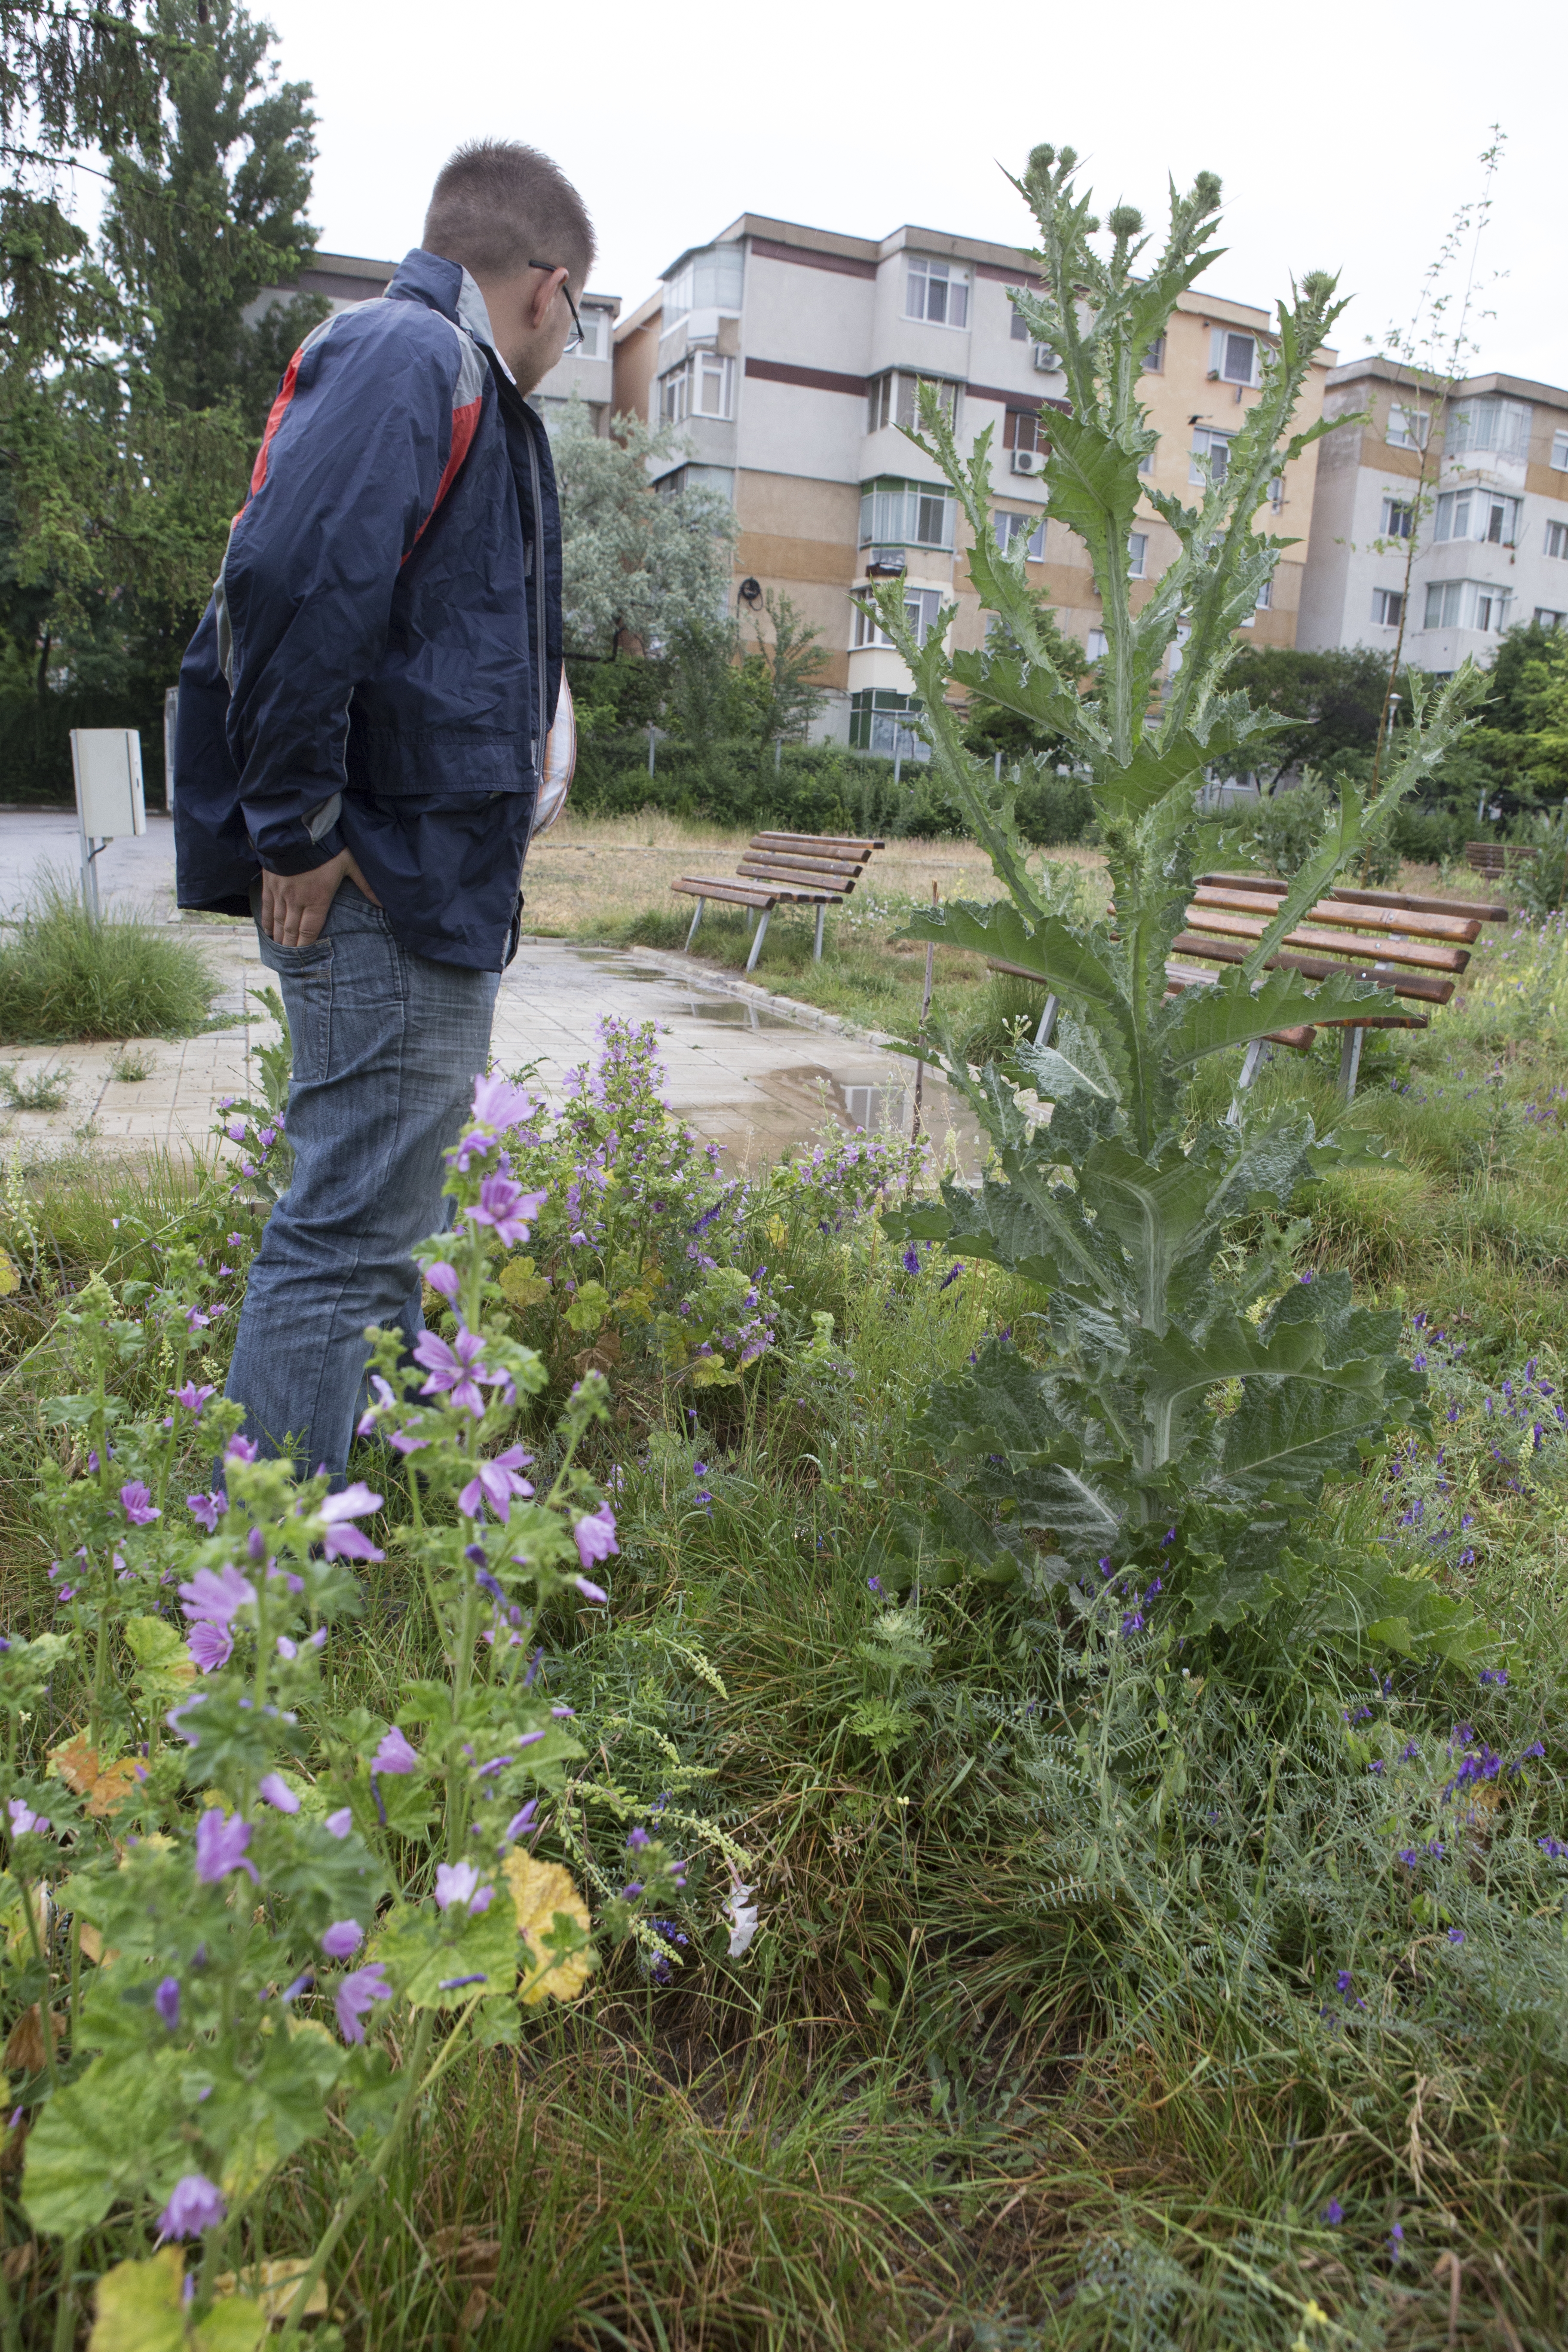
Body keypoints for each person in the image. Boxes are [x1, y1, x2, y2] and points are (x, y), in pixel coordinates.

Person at [173, 138, 592, 1477]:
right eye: (583, 315)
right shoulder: (414, 355)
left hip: (425, 884)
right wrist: (296, 829)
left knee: (378, 1234)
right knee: (346, 1235)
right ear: (550, 286)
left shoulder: (448, 377)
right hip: (380, 889)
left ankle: (329, 1554)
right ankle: (268, 1599)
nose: (576, 335)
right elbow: (290, 577)